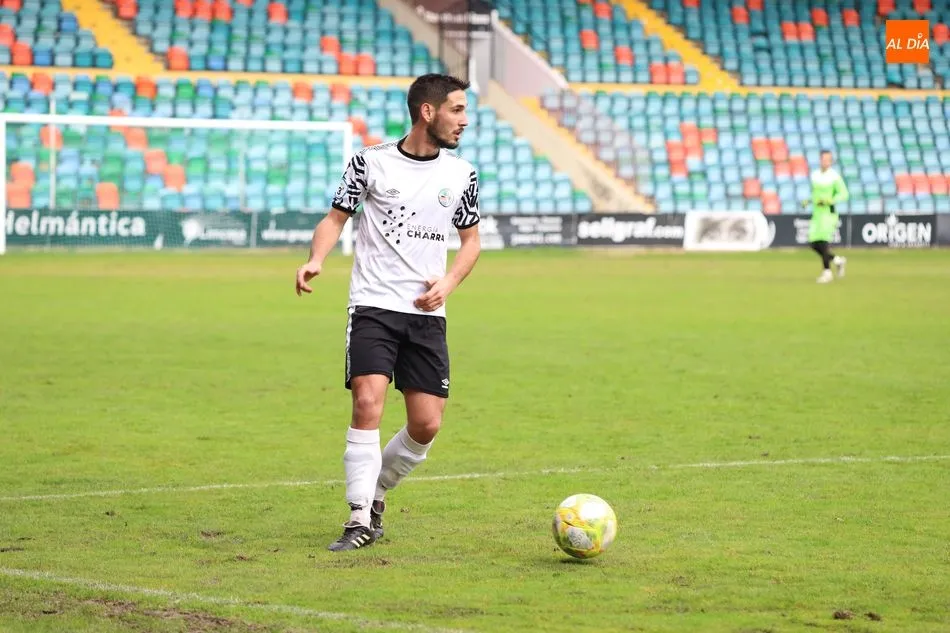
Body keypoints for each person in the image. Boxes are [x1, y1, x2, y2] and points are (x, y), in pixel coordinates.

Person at [294, 74, 481, 552]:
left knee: (426, 424)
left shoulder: (462, 174)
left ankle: (377, 492)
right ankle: (357, 519)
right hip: (374, 304)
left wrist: (449, 283)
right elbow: (336, 217)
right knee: (367, 403)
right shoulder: (370, 162)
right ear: (428, 112)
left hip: (426, 315)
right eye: (457, 110)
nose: (464, 120)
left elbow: (471, 241)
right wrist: (316, 259)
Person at [806, 150, 849, 283]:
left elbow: (844, 194)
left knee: (823, 242)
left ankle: (827, 272)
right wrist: (808, 200)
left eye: (828, 160)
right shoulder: (815, 175)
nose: (825, 162)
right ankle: (837, 261)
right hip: (817, 212)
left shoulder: (834, 177)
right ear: (820, 160)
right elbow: (815, 194)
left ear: (831, 161)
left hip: (828, 213)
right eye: (823, 159)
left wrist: (831, 200)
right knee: (813, 243)